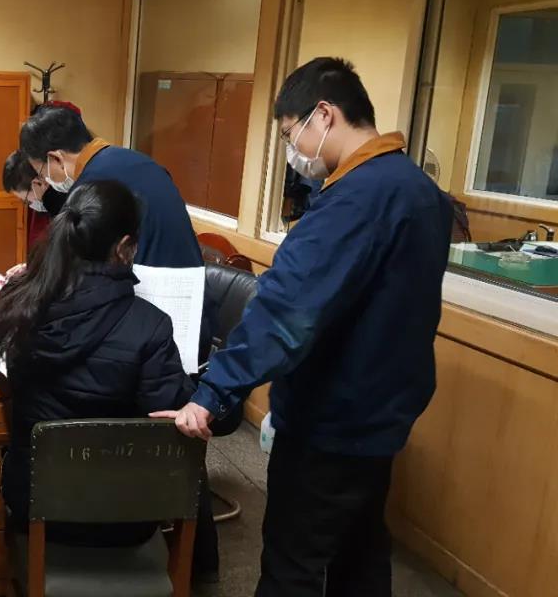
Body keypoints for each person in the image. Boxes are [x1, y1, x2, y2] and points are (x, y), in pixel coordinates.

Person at [151, 57, 453, 596]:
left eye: (292, 135)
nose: (294, 152)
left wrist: (213, 393)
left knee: (293, 564)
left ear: (324, 114)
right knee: (361, 556)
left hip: (330, 421)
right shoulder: (418, 189)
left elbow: (285, 312)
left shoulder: (354, 200)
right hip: (384, 415)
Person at [0, 179, 194, 546]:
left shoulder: (17, 303)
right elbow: (170, 417)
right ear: (124, 248)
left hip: (33, 501)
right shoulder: (150, 325)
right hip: (126, 515)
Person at [18, 106, 204, 268]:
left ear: (56, 159)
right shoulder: (134, 159)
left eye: (42, 172)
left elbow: (83, 264)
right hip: (194, 281)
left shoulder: (90, 186)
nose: (46, 179)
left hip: (152, 288)